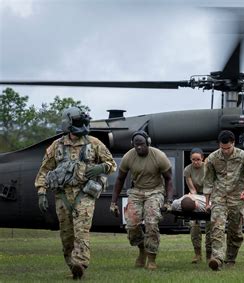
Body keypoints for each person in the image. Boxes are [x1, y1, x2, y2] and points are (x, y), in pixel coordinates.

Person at [35, 107, 117, 280]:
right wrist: (42, 192)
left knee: (81, 231)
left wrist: (100, 167)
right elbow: (44, 170)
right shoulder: (56, 147)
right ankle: (72, 266)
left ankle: (80, 263)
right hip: (62, 196)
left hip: (84, 194)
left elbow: (111, 163)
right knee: (67, 235)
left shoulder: (94, 143)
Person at [110, 130, 173, 270]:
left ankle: (151, 258)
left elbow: (169, 179)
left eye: (142, 144)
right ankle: (142, 250)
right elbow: (120, 179)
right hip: (136, 191)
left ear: (148, 143)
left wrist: (168, 201)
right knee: (131, 225)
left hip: (155, 191)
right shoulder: (129, 157)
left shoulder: (159, 156)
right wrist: (113, 202)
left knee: (151, 222)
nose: (139, 147)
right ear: (133, 144)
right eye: (136, 145)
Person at [203, 130, 244, 271]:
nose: (226, 151)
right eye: (223, 148)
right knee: (217, 228)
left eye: (228, 148)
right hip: (219, 198)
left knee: (235, 232)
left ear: (233, 143)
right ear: (219, 145)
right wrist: (207, 201)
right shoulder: (212, 158)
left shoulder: (243, 156)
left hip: (237, 198)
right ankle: (217, 259)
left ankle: (231, 259)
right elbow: (208, 181)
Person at [183, 147, 212, 264]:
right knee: (194, 225)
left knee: (210, 225)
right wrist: (194, 198)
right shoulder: (187, 170)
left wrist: (206, 203)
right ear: (190, 159)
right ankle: (197, 253)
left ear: (202, 158)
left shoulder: (208, 168)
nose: (196, 162)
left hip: (209, 194)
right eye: (193, 159)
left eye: (198, 159)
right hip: (196, 195)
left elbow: (210, 185)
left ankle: (209, 254)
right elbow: (191, 188)